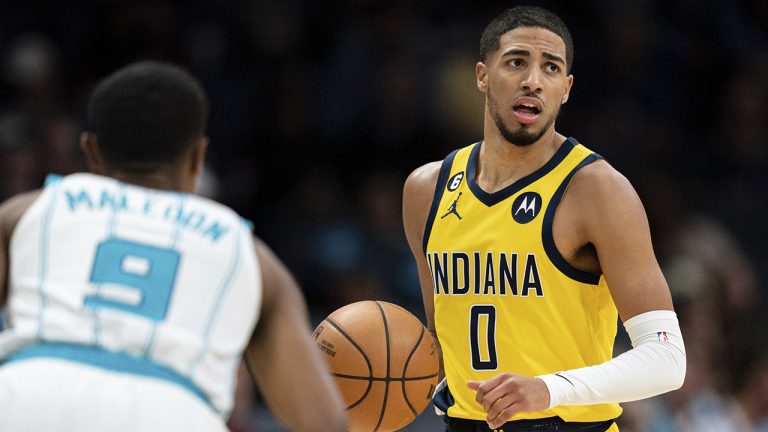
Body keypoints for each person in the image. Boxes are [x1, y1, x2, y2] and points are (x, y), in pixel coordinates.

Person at [0, 61, 348, 432]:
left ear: (91, 151)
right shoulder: (249, 253)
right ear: (198, 157)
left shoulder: (28, 211)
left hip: (29, 393)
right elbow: (323, 423)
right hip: (174, 412)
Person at [402, 6, 686, 432]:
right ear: (482, 75)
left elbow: (667, 359)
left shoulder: (596, 190)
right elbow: (440, 343)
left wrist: (549, 388)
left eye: (550, 68)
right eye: (516, 62)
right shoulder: (426, 190)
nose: (532, 80)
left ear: (566, 88)